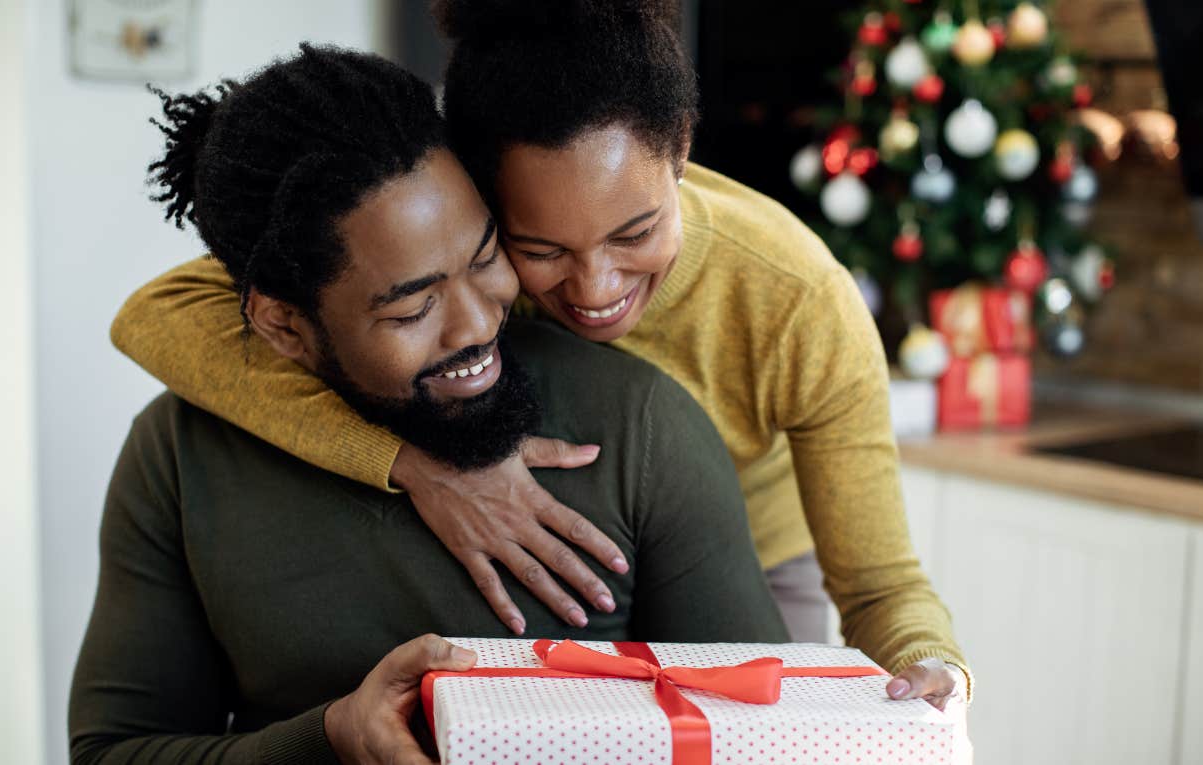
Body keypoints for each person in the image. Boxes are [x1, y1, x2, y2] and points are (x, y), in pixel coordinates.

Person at [113, 0, 971, 707]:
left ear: (682, 150)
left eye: (636, 231)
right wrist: (412, 464)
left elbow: (879, 579)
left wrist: (935, 669)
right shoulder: (462, 254)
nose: (595, 287)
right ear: (483, 194)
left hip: (756, 552)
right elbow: (160, 311)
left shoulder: (796, 300)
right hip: (558, 552)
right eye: (539, 248)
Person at [70, 44, 790, 765]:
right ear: (284, 325)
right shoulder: (178, 454)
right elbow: (111, 752)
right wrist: (330, 736)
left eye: (486, 259)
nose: (478, 325)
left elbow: (769, 738)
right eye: (413, 308)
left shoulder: (640, 428)